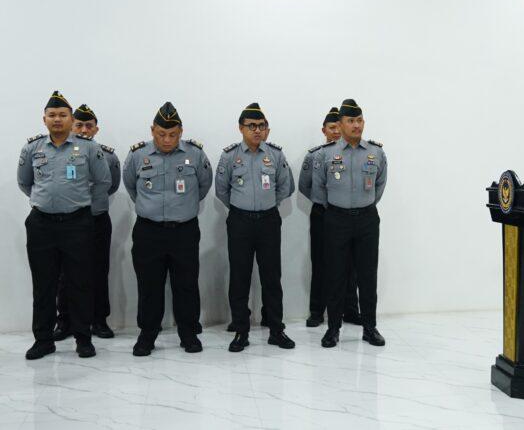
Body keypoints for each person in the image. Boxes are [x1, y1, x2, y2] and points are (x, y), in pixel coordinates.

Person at [17, 91, 111, 359]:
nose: (57, 119)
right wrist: (47, 201)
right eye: (52, 115)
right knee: (43, 285)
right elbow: (25, 182)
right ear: (44, 119)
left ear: (71, 119)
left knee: (80, 282)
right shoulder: (33, 148)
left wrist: (80, 205)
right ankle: (43, 340)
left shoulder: (89, 148)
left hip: (77, 224)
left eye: (62, 115)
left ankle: (83, 338)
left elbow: (102, 182)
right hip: (42, 224)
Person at [123, 102, 212, 356]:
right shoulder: (138, 155)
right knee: (149, 285)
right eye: (161, 134)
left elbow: (204, 186)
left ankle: (189, 333)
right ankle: (147, 335)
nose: (167, 140)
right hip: (148, 231)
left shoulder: (195, 155)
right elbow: (130, 185)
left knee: (186, 284)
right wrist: (150, 208)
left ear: (181, 131)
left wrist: (182, 208)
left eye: (173, 134)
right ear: (152, 130)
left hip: (184, 231)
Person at [215, 103, 296, 352]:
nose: (257, 130)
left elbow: (285, 187)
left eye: (261, 126)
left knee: (272, 277)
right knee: (239, 276)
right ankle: (241, 330)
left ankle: (276, 330)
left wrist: (267, 204)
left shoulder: (275, 155)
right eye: (252, 126)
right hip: (240, 221)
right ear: (241, 128)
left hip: (268, 221)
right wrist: (242, 208)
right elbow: (222, 191)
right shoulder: (229, 156)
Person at [312, 99, 387, 348]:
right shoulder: (325, 154)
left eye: (359, 120)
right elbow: (319, 189)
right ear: (341, 124)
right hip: (336, 219)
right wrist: (338, 208)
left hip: (367, 219)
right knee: (335, 275)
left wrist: (364, 204)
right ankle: (333, 328)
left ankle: (369, 328)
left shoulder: (376, 152)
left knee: (367, 276)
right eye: (351, 121)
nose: (356, 125)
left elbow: (379, 185)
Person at [53, 104, 121, 341]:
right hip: (68, 221)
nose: (83, 130)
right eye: (79, 125)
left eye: (89, 126)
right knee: (65, 273)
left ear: (96, 129)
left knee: (99, 270)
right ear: (71, 126)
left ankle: (99, 320)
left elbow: (111, 185)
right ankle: (65, 321)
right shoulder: (59, 153)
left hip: (96, 219)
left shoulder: (108, 156)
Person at [299, 107, 361, 328]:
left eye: (338, 127)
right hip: (322, 214)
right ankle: (317, 311)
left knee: (350, 262)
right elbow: (304, 186)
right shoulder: (315, 155)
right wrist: (322, 201)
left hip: (346, 214)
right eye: (331, 127)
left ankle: (350, 310)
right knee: (321, 261)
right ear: (324, 130)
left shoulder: (353, 153)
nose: (336, 131)